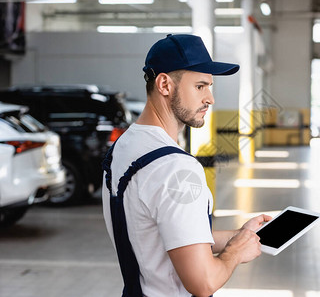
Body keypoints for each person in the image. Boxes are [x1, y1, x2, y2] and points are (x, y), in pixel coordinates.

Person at [102, 34, 271, 297]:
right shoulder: (176, 168)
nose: (210, 99)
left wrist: (239, 236)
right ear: (165, 84)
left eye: (210, 86)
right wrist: (236, 253)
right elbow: (202, 283)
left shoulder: (123, 148)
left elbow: (163, 236)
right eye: (200, 86)